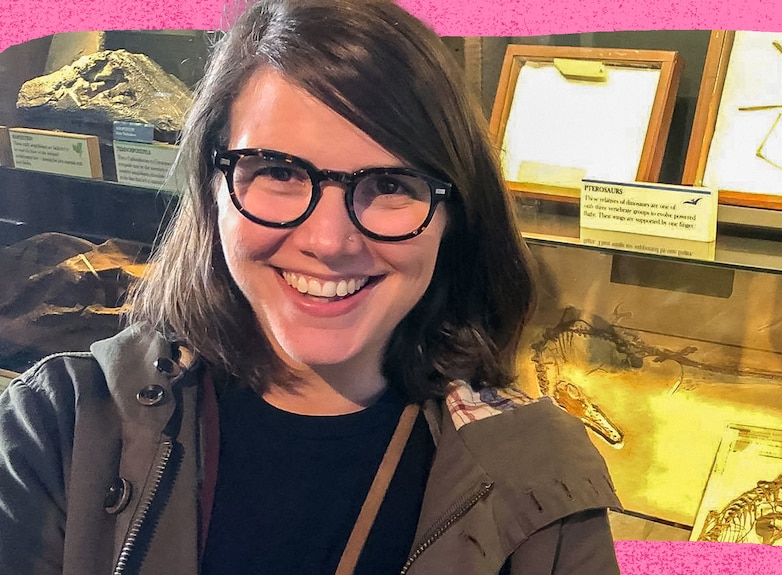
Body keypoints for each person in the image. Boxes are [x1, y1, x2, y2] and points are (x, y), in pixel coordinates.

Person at [0, 0, 622, 573]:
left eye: (389, 185)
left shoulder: (543, 480)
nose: (329, 241)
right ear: (212, 188)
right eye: (277, 171)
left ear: (457, 215)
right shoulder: (60, 427)